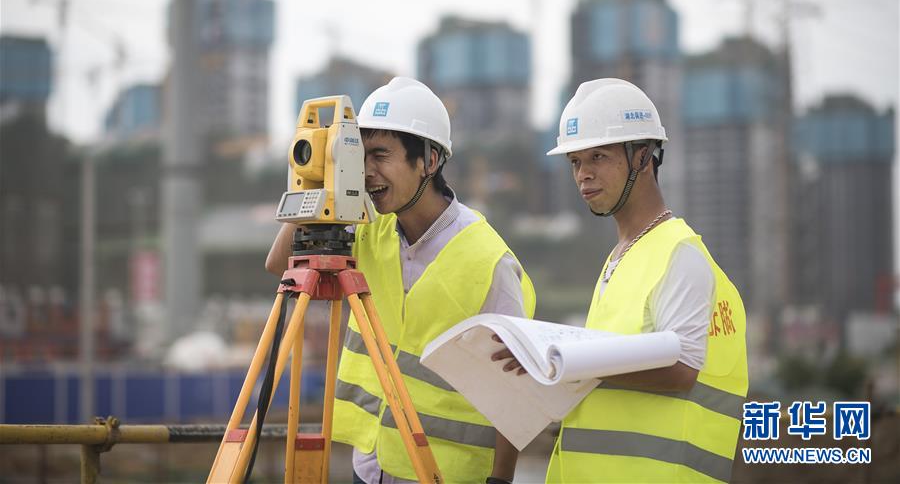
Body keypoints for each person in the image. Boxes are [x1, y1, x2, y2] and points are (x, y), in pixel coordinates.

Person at [266, 76, 536, 484]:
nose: (368, 172)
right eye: (360, 155)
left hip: (444, 474)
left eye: (381, 155)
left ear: (429, 160)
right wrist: (321, 179)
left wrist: (501, 480)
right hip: (370, 466)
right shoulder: (366, 227)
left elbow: (515, 387)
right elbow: (278, 263)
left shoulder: (488, 262)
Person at [494, 78, 747, 483]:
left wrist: (561, 363)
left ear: (643, 156)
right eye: (575, 162)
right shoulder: (622, 257)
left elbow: (682, 370)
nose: (583, 175)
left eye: (597, 157)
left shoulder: (678, 254)